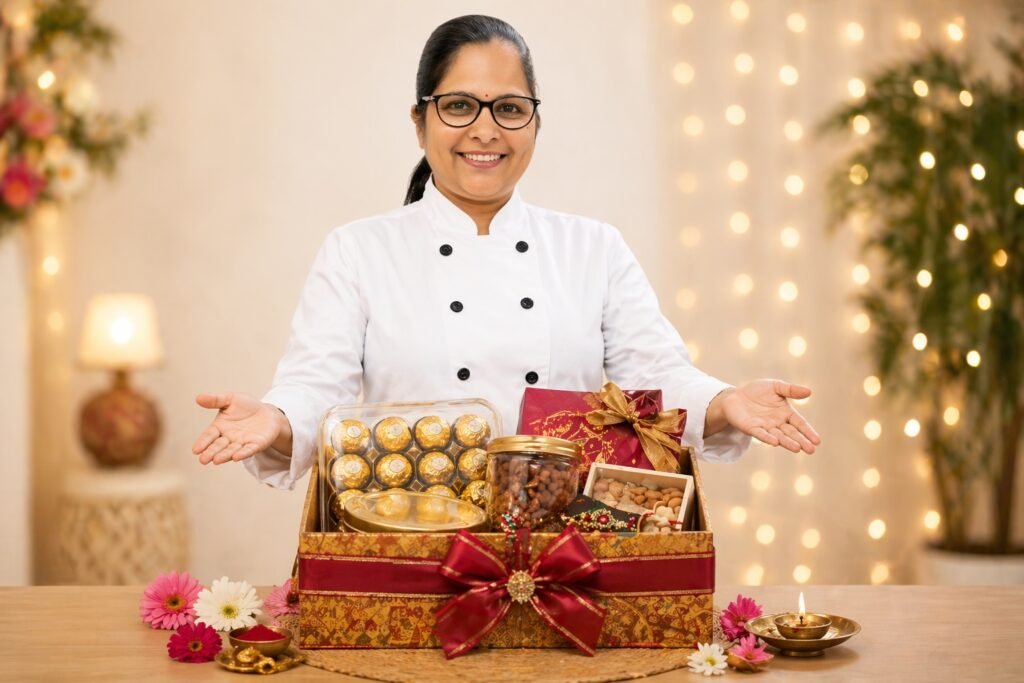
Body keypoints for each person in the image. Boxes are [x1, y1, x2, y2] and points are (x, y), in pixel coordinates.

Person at [192, 15, 821, 490]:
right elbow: (314, 386)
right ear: (420, 121)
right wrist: (275, 419)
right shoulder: (358, 250)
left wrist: (724, 402)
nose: (485, 129)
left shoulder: (592, 248)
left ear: (535, 123)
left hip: (563, 547)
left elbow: (655, 377)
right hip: (411, 538)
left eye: (510, 109)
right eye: (459, 106)